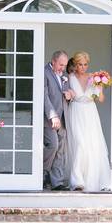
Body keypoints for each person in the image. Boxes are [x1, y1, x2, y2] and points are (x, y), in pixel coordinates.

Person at [67, 51, 112, 192]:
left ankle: (93, 179)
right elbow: (64, 93)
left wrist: (100, 88)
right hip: (75, 111)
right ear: (75, 64)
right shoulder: (69, 77)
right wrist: (68, 93)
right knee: (79, 144)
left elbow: (101, 99)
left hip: (90, 112)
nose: (83, 67)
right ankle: (77, 181)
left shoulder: (94, 78)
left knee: (92, 145)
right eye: (80, 64)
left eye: (85, 64)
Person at [43, 50, 73, 190]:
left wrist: (69, 94)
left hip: (63, 118)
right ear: (53, 61)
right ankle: (41, 172)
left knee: (60, 151)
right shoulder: (44, 73)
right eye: (61, 65)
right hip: (49, 118)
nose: (63, 68)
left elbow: (66, 93)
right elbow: (45, 96)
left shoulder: (64, 76)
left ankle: (57, 183)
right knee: (53, 145)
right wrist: (52, 115)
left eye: (64, 65)